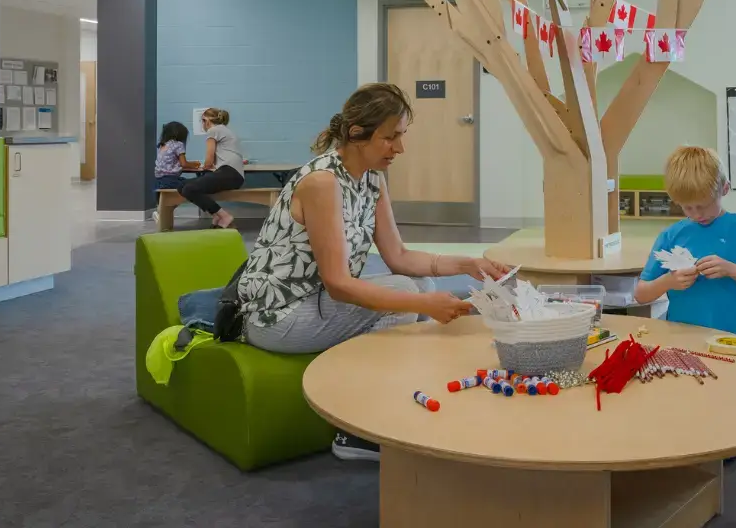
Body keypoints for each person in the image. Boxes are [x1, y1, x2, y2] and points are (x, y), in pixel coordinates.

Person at [236, 82, 509, 461]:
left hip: (314, 303)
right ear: (356, 134)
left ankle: (393, 394)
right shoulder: (321, 182)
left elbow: (398, 256)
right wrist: (425, 305)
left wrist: (469, 265)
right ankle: (357, 429)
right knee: (410, 294)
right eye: (390, 138)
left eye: (401, 136)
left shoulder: (372, 181)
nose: (400, 148)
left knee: (418, 282)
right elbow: (339, 285)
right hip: (276, 317)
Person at [634, 146, 736, 336]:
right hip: (680, 338)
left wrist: (731, 269)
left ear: (725, 189)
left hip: (729, 339)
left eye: (703, 206)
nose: (697, 215)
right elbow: (641, 295)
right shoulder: (671, 235)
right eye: (687, 208)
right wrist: (668, 281)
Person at [180, 108, 245, 229]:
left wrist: (203, 167)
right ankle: (216, 214)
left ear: (206, 121)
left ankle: (224, 216)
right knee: (182, 187)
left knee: (189, 188)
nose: (202, 125)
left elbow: (209, 161)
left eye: (202, 121)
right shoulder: (226, 131)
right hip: (233, 175)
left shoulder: (213, 130)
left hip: (229, 173)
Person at [153, 121, 199, 192]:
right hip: (170, 181)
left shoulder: (162, 145)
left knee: (186, 181)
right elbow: (184, 164)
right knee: (197, 183)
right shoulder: (178, 144)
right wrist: (195, 164)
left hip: (157, 181)